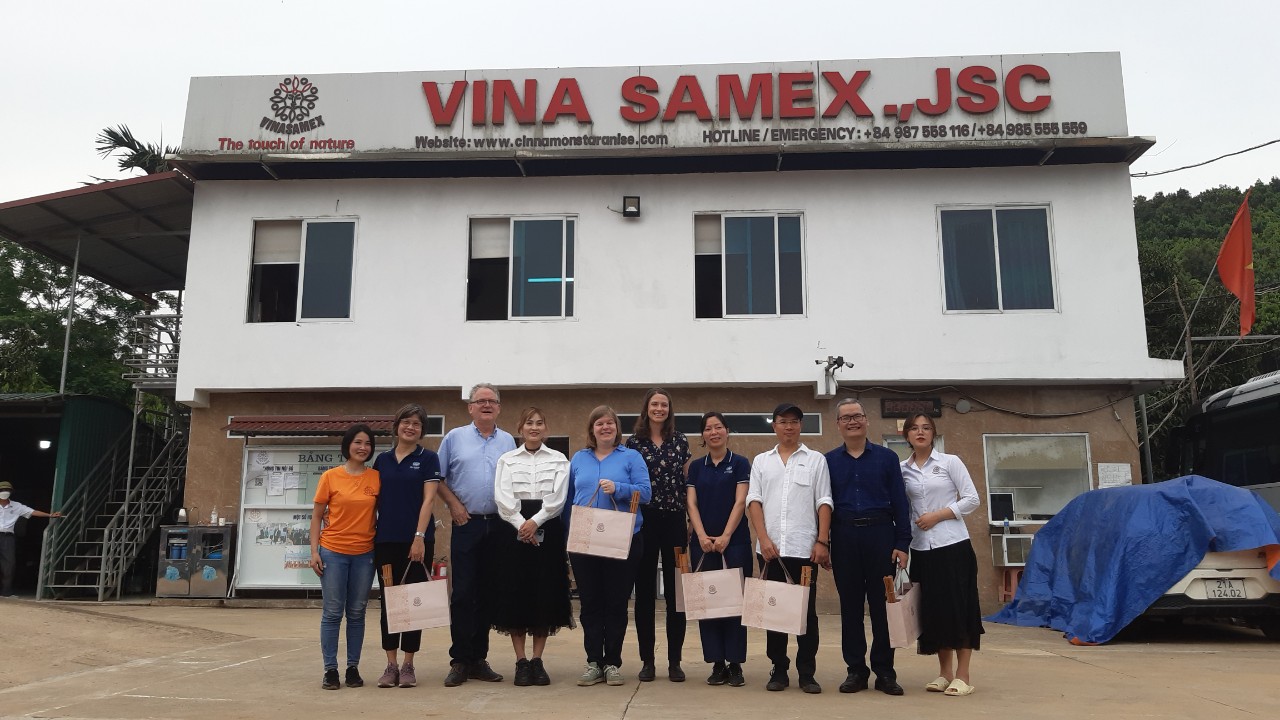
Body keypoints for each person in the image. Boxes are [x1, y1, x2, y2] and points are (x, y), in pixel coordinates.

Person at [824, 399, 911, 696]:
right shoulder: (829, 461)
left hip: (881, 537)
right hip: (845, 536)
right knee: (850, 609)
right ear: (838, 425)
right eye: (846, 418)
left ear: (866, 421)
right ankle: (856, 671)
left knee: (882, 608)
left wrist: (902, 543)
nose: (852, 422)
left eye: (857, 416)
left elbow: (901, 502)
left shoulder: (887, 458)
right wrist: (822, 541)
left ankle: (885, 672)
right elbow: (822, 505)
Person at [745, 403, 832, 694]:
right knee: (775, 613)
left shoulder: (816, 459)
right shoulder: (762, 461)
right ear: (774, 426)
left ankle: (807, 672)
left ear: (800, 425)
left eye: (794, 421)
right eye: (783, 421)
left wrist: (822, 541)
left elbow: (824, 502)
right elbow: (753, 501)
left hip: (804, 549)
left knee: (805, 614)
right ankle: (779, 669)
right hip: (770, 550)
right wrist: (764, 539)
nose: (789, 426)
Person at [436, 383, 517, 686]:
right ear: (470, 407)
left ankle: (479, 659)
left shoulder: (508, 441)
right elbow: (438, 478)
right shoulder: (454, 438)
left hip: (498, 525)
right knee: (463, 593)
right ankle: (459, 660)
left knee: (487, 593)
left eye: (491, 401)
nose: (486, 405)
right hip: (466, 522)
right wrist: (454, 504)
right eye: (480, 401)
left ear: (498, 407)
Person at [899, 413, 983, 697]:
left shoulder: (950, 462)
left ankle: (963, 675)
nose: (920, 432)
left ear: (933, 433)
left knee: (960, 607)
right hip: (922, 548)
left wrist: (938, 515)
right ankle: (944, 673)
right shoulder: (902, 470)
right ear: (906, 435)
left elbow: (972, 499)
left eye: (926, 428)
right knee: (934, 610)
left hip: (953, 545)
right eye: (914, 428)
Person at [568, 405, 652, 687]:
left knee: (616, 602)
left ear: (617, 428)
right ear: (592, 429)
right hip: (585, 539)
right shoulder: (579, 458)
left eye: (610, 423)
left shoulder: (631, 456)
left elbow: (647, 493)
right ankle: (593, 662)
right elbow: (569, 499)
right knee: (590, 602)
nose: (605, 428)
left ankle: (612, 663)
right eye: (599, 424)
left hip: (622, 539)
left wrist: (619, 487)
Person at [491, 407, 573, 686]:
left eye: (539, 423)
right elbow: (502, 497)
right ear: (520, 428)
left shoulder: (559, 459)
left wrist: (535, 521)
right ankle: (521, 662)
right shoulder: (507, 459)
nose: (534, 428)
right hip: (513, 527)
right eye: (529, 423)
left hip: (547, 525)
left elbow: (558, 498)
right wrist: (520, 523)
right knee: (516, 593)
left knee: (543, 592)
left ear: (546, 428)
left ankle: (538, 660)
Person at [371, 404, 442, 689]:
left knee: (414, 604)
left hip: (418, 542)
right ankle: (390, 664)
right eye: (406, 422)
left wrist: (418, 536)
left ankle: (409, 664)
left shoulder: (428, 459)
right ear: (396, 425)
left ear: (422, 430)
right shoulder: (382, 461)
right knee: (391, 604)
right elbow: (374, 501)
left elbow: (429, 501)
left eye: (416, 424)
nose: (410, 427)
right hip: (386, 540)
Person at [625, 387, 692, 682]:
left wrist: (691, 519)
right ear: (646, 408)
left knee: (677, 594)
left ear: (669, 409)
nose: (659, 409)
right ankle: (647, 661)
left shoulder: (680, 441)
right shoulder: (633, 443)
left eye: (664, 404)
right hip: (644, 523)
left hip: (675, 521)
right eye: (654, 404)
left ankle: (674, 661)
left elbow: (687, 482)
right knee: (645, 595)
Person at [309, 424, 380, 690]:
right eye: (358, 442)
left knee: (357, 612)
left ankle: (352, 668)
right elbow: (316, 516)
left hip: (365, 554)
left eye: (368, 444)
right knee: (332, 612)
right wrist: (314, 551)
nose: (363, 448)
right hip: (333, 553)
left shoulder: (375, 478)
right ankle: (330, 669)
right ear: (347, 445)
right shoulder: (330, 476)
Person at [685, 411, 751, 687]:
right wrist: (700, 535)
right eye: (708, 428)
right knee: (708, 604)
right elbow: (691, 503)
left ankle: (735, 664)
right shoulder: (696, 467)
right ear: (703, 435)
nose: (714, 432)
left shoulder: (740, 463)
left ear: (727, 431)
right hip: (703, 545)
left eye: (718, 427)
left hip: (734, 543)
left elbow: (741, 502)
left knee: (735, 604)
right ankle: (716, 663)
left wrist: (725, 535)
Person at [0, 480, 61, 597]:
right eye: (2, 490)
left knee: (9, 564)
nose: (4, 492)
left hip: (7, 538)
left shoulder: (16, 506)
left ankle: (6, 592)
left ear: (11, 492)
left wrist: (50, 515)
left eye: (7, 490)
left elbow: (33, 512)